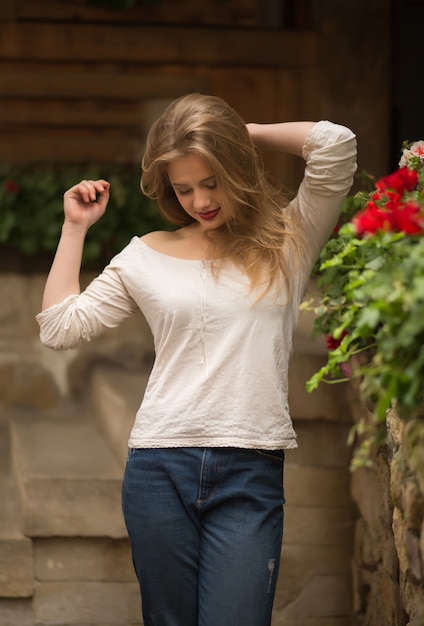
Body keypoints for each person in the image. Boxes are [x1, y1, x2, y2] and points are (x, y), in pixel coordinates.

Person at [36, 93, 357, 626]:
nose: (200, 200)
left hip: (250, 469)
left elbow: (335, 145)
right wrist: (75, 228)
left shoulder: (288, 238)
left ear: (237, 168)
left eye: (211, 181)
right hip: (159, 467)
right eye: (183, 189)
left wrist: (238, 131)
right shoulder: (145, 254)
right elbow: (59, 327)